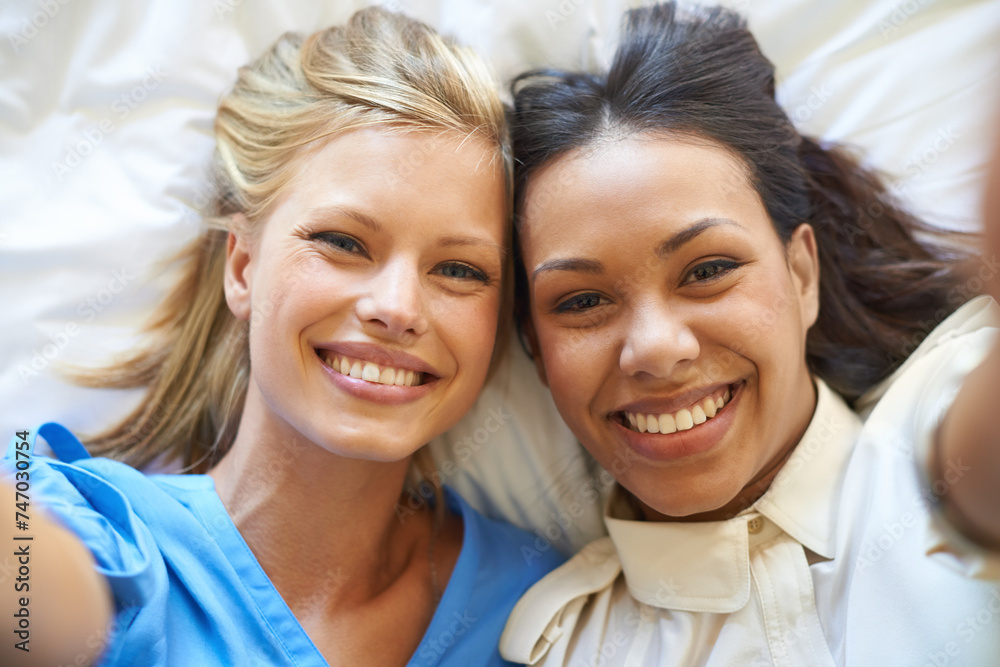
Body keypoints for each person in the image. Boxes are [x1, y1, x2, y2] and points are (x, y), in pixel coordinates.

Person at [0, 8, 563, 666]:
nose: (398, 308)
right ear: (242, 267)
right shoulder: (79, 527)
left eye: (459, 269)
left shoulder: (542, 607)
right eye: (343, 242)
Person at [499, 3, 1000, 665]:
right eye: (583, 300)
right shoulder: (560, 645)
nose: (654, 347)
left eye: (707, 269)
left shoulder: (942, 433)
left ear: (802, 274)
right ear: (535, 350)